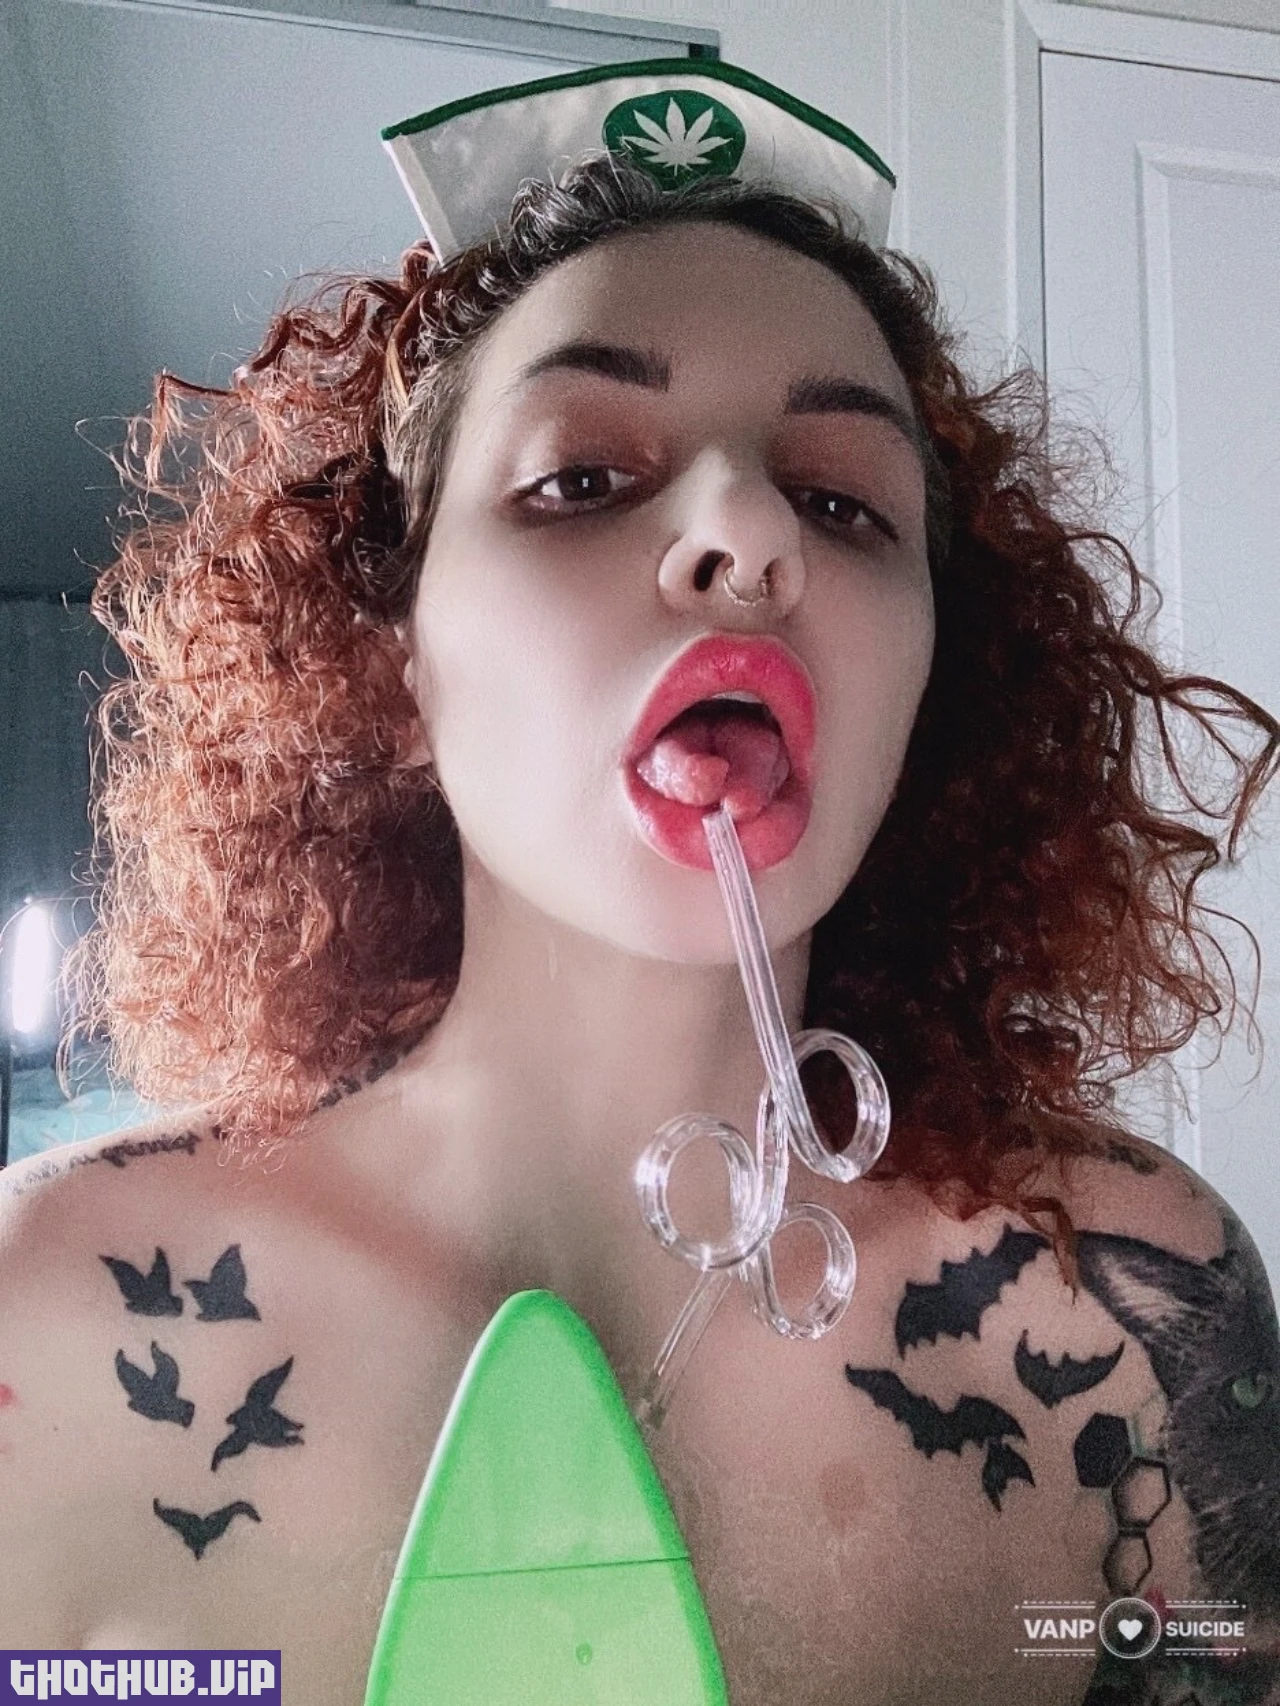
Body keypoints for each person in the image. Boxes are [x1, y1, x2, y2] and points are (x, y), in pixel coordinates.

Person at [1, 61, 1278, 1705]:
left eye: (843, 499)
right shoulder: (44, 1307)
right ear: (391, 656)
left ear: (930, 689)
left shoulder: (1135, 1317)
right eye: (582, 478)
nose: (748, 529)